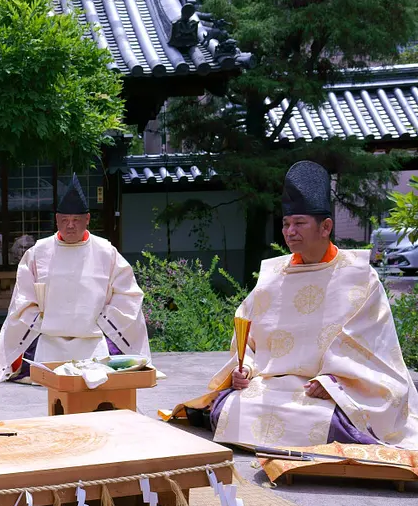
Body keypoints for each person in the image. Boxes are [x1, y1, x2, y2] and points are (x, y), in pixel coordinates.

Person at [168, 161, 418, 449]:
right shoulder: (273, 275)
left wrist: (335, 382)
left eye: (299, 223)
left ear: (326, 227)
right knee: (226, 410)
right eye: (286, 224)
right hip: (272, 385)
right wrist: (245, 368)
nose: (290, 231)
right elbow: (246, 335)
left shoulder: (360, 276)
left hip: (328, 391)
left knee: (337, 424)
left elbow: (373, 344)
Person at [0, 176, 150, 381]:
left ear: (87, 219)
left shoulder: (106, 252)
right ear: (57, 219)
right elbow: (22, 299)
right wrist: (42, 320)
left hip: (93, 342)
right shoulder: (38, 252)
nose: (70, 226)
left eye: (76, 220)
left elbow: (127, 295)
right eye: (65, 220)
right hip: (48, 341)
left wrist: (101, 320)